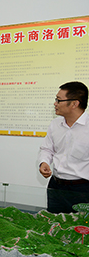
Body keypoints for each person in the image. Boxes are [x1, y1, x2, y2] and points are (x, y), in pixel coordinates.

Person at [38, 81, 89, 214]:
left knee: (80, 225)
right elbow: (47, 149)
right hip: (56, 186)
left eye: (58, 100)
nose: (55, 103)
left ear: (74, 103)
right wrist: (44, 162)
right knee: (54, 222)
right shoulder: (55, 124)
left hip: (82, 190)